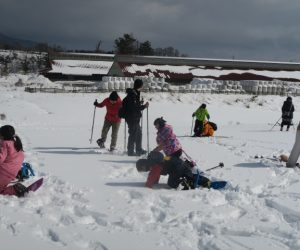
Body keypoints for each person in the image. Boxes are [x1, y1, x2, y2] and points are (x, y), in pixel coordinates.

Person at [136, 151, 211, 189]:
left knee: (172, 184)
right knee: (188, 175)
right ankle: (205, 181)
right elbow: (156, 175)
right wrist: (155, 182)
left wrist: (148, 185)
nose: (144, 170)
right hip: (179, 163)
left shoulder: (154, 166)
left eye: (142, 169)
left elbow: (152, 177)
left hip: (176, 168)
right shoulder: (156, 162)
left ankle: (184, 182)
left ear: (144, 165)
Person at [121, 79, 149, 156]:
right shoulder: (132, 94)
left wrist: (140, 103)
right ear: (140, 86)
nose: (142, 87)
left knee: (139, 134)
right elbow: (134, 107)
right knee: (133, 134)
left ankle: (138, 149)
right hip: (131, 118)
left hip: (134, 117)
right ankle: (130, 151)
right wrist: (143, 106)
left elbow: (134, 105)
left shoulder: (135, 93)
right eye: (142, 85)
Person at [0, 125, 26, 196]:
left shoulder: (5, 144)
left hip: (3, 172)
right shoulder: (16, 143)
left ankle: (15, 190)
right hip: (12, 173)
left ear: (2, 136)